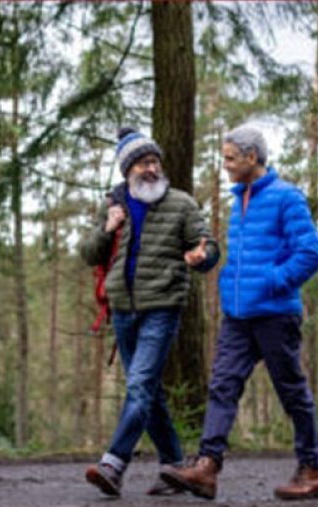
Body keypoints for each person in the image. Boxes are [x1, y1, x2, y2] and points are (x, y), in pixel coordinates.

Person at [160, 125, 318, 501]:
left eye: (230, 158)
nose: (226, 166)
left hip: (275, 314)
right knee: (222, 384)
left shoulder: (287, 198)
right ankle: (207, 467)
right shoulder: (240, 200)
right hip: (238, 315)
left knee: (291, 392)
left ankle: (311, 469)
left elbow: (311, 253)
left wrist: (272, 281)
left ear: (252, 158)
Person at [79, 127, 220, 497]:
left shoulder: (181, 204)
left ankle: (114, 463)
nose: (151, 169)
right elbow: (89, 253)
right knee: (149, 391)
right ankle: (173, 466)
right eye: (143, 163)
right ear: (128, 170)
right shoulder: (113, 204)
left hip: (162, 306)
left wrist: (203, 256)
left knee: (139, 385)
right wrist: (108, 228)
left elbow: (208, 245)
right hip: (123, 310)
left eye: (155, 161)